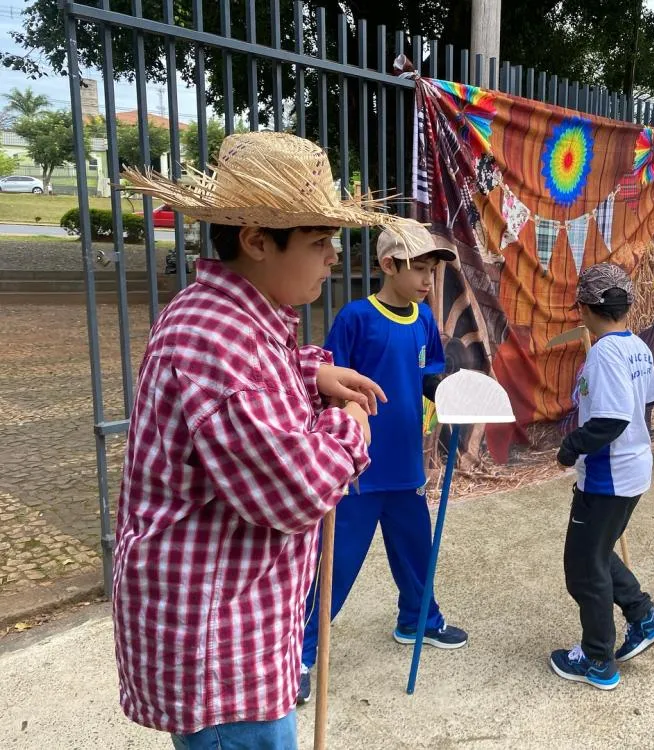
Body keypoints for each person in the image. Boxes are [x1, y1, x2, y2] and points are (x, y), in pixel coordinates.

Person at [112, 131, 421, 748]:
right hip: (221, 651)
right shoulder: (216, 339)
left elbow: (261, 382)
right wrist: (352, 425)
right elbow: (296, 489)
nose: (334, 257)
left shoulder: (233, 318)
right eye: (318, 241)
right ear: (256, 241)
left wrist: (314, 371)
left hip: (237, 623)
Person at [298, 224, 466, 704]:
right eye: (419, 269)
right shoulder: (356, 318)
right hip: (358, 471)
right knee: (337, 564)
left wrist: (457, 402)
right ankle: (300, 653)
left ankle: (419, 620)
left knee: (418, 549)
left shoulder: (424, 320)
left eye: (433, 271)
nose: (428, 281)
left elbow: (432, 375)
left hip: (406, 466)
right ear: (388, 265)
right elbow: (328, 384)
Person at [550, 263, 654, 690]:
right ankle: (644, 616)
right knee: (598, 553)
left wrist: (571, 447)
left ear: (584, 308)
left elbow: (612, 420)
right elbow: (650, 399)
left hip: (608, 478)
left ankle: (598, 659)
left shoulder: (605, 352)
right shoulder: (635, 345)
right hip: (633, 468)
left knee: (584, 568)